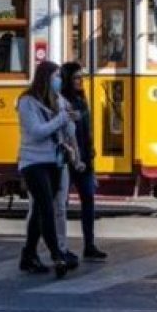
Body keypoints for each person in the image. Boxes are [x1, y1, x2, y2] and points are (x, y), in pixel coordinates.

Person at [17, 61, 73, 279]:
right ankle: (57, 255)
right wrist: (60, 118)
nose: (59, 81)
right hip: (33, 162)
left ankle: (28, 255)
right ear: (46, 77)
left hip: (53, 161)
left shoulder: (57, 100)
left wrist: (68, 119)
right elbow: (36, 132)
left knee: (40, 211)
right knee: (46, 208)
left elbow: (68, 130)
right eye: (56, 76)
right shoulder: (27, 102)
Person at [60, 62, 108, 262]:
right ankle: (60, 246)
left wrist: (90, 151)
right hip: (68, 158)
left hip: (85, 158)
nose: (81, 81)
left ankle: (89, 244)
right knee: (61, 203)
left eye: (82, 77)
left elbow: (86, 130)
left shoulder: (82, 100)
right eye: (76, 78)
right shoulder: (62, 101)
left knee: (88, 200)